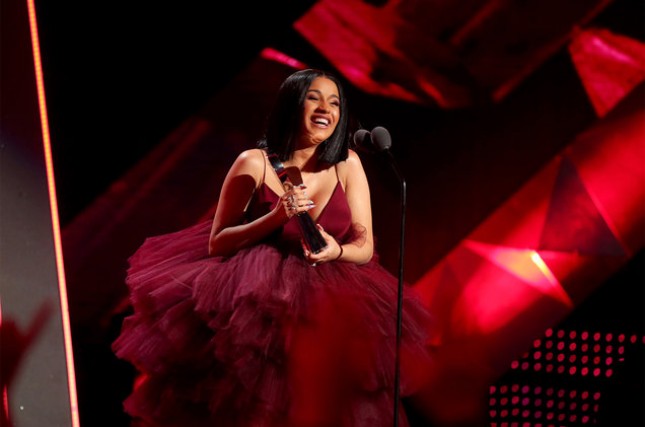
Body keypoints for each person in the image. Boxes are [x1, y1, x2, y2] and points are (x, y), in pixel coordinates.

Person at [112, 68, 433, 427]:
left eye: (334, 102)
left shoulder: (348, 163)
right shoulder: (254, 163)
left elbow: (364, 243)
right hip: (260, 302)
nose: (325, 107)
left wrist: (336, 251)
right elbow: (219, 241)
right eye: (314, 97)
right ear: (292, 104)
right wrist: (277, 216)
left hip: (332, 303)